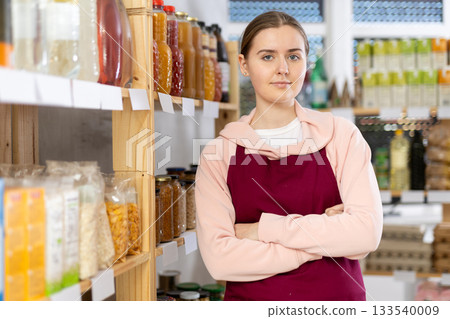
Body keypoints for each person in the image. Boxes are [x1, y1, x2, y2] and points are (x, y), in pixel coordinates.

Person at [195, 11, 383, 301]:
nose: (283, 68)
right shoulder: (219, 154)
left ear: (307, 62)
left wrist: (262, 230)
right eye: (267, 57)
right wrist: (323, 241)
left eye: (294, 56)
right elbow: (220, 260)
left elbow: (365, 234)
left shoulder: (341, 136)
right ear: (244, 65)